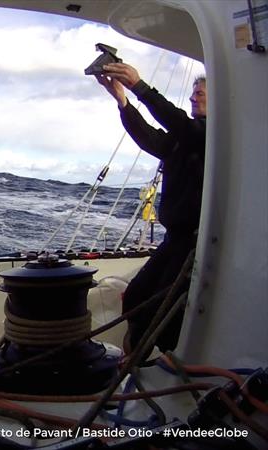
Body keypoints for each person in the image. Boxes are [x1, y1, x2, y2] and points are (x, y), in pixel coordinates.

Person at [96, 62, 206, 356]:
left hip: (195, 245)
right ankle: (135, 367)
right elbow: (150, 137)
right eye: (193, 92)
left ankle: (159, 370)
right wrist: (122, 100)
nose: (193, 97)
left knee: (161, 312)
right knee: (135, 296)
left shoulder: (210, 137)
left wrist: (140, 86)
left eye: (200, 93)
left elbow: (182, 124)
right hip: (174, 241)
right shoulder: (184, 139)